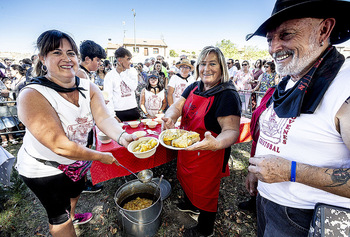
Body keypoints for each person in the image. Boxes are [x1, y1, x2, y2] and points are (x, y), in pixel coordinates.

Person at [15, 30, 135, 237]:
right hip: (43, 168)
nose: (66, 58)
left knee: (74, 192)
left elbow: (104, 118)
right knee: (59, 218)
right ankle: (65, 220)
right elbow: (59, 145)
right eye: (56, 53)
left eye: (70, 53)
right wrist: (101, 157)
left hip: (76, 160)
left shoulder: (88, 87)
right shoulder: (32, 94)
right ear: (43, 59)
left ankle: (72, 214)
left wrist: (123, 137)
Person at [245, 0, 350, 236]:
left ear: (324, 30)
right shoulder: (291, 78)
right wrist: (255, 170)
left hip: (305, 216)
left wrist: (292, 171)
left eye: (286, 34)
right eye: (270, 39)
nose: (274, 48)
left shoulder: (345, 86)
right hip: (267, 202)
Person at [163, 46, 241, 237]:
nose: (207, 68)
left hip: (210, 153)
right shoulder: (195, 87)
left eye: (212, 63)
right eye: (202, 64)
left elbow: (231, 131)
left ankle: (205, 229)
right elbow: (177, 105)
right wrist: (170, 117)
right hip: (188, 150)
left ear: (222, 67)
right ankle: (191, 205)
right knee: (187, 180)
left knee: (206, 193)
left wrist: (215, 143)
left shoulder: (227, 94)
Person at [103, 47, 140, 122]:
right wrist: (112, 115)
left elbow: (133, 87)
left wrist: (121, 73)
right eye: (128, 59)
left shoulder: (132, 71)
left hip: (133, 109)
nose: (130, 62)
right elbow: (108, 97)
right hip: (119, 112)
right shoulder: (110, 75)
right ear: (120, 60)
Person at [0, 77, 19, 147]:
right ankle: (4, 140)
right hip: (1, 108)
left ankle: (11, 138)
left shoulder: (1, 84)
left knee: (9, 124)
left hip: (6, 108)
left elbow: (7, 94)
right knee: (1, 127)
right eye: (7, 83)